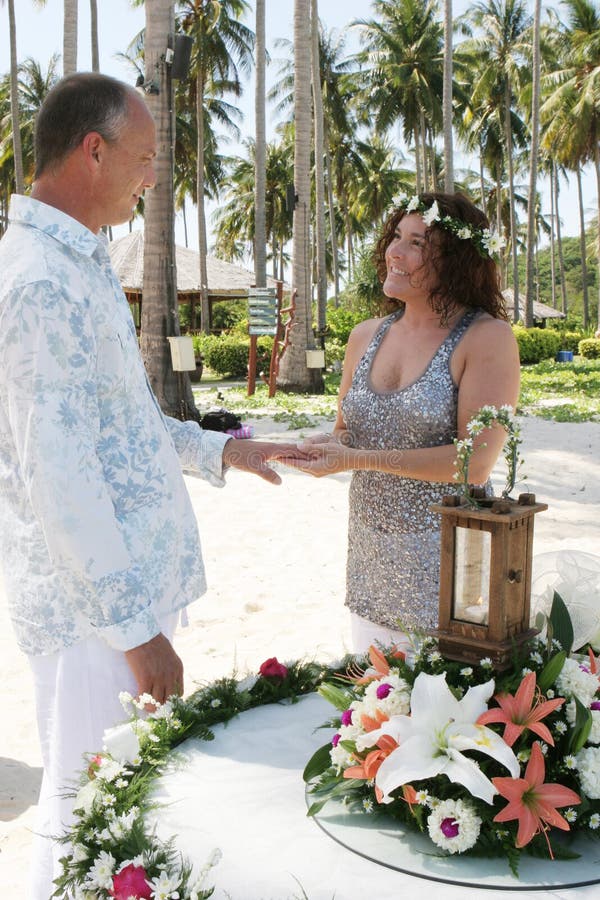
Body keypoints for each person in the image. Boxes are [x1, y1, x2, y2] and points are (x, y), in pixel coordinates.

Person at [0, 72, 301, 899]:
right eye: (142, 159)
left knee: (110, 810)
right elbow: (62, 482)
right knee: (86, 816)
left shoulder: (79, 261)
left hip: (116, 598)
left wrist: (221, 451)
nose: (151, 178)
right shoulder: (39, 282)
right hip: (93, 617)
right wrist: (136, 633)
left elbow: (119, 429)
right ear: (92, 151)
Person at [285, 192, 521, 653]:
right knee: (373, 709)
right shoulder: (365, 335)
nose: (395, 251)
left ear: (456, 261)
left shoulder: (486, 338)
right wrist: (326, 447)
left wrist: (357, 458)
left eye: (416, 243)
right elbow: (347, 431)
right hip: (372, 557)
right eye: (396, 236)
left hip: (448, 564)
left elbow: (473, 465)